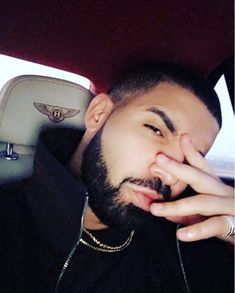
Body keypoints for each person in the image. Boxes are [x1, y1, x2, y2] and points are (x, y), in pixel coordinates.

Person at [0, 61, 234, 293]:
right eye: (156, 130)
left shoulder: (189, 239)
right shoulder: (10, 224)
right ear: (98, 114)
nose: (170, 174)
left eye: (191, 158)